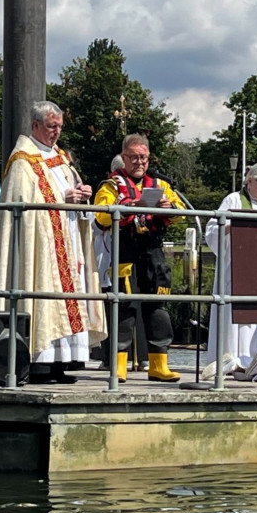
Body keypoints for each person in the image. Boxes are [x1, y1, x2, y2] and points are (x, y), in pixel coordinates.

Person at [0, 101, 106, 385]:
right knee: (41, 298)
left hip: (68, 242)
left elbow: (69, 195)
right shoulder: (23, 162)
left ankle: (62, 362)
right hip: (41, 249)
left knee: (69, 299)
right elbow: (24, 207)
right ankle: (37, 362)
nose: (56, 132)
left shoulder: (60, 158)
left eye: (59, 127)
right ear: (35, 126)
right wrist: (63, 200)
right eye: (51, 126)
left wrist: (82, 197)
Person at [94, 133, 185, 383]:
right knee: (123, 306)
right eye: (133, 157)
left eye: (143, 157)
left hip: (153, 250)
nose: (139, 162)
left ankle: (158, 364)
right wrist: (129, 206)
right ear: (123, 158)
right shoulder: (110, 186)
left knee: (158, 305)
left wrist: (169, 208)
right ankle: (118, 364)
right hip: (125, 248)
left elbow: (182, 212)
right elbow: (100, 216)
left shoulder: (161, 184)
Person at [203, 162, 257, 375]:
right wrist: (232, 225)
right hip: (235, 268)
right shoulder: (233, 200)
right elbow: (212, 229)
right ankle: (229, 361)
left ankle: (254, 362)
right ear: (250, 180)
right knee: (233, 315)